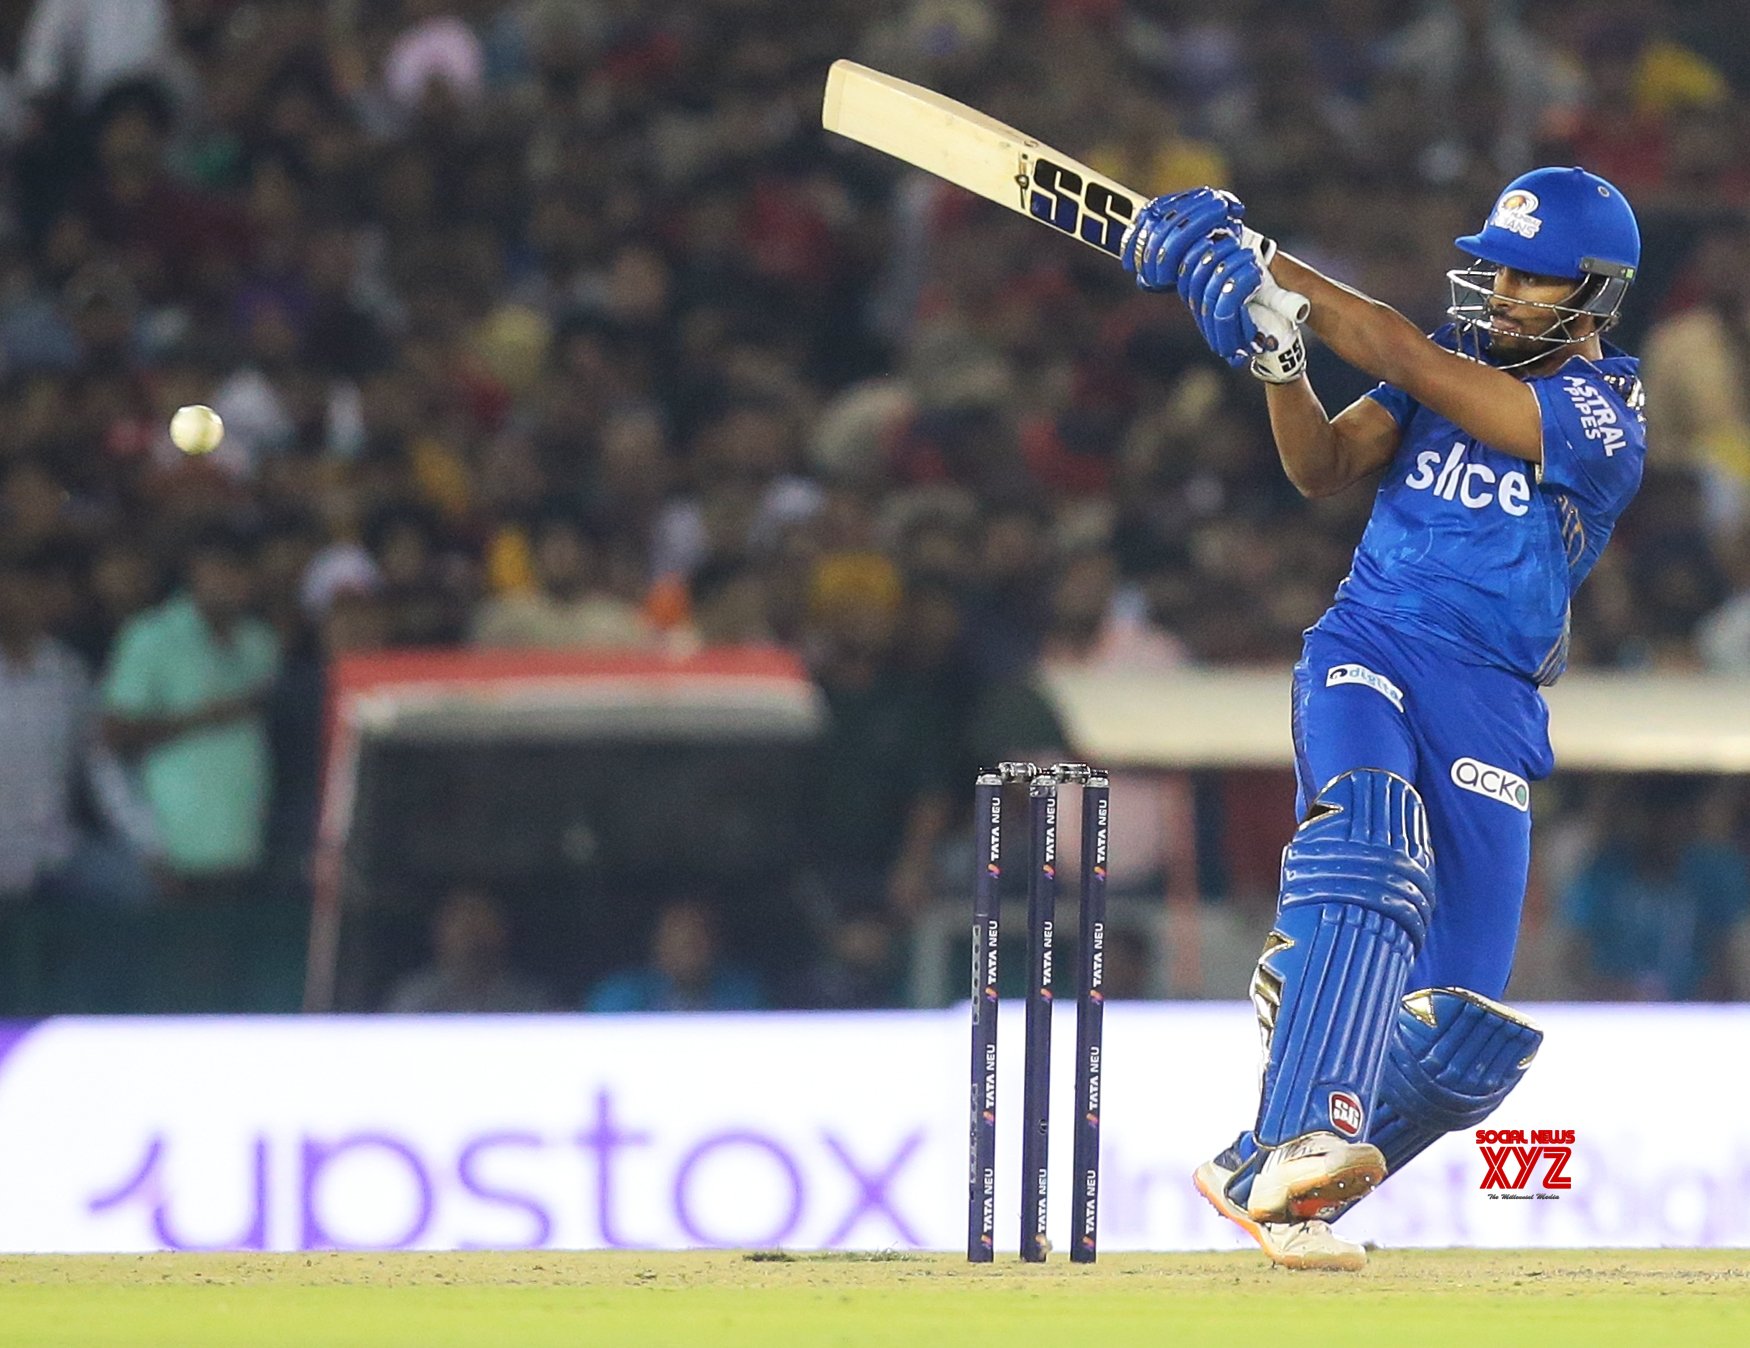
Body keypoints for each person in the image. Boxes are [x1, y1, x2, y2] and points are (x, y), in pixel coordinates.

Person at [1120, 166, 1646, 1270]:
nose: (1500, 289)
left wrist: (1267, 268)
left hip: (1490, 702)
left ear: (1594, 296)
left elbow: (1404, 353)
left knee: (1460, 1037)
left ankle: (1265, 1174)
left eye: (1531, 280)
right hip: (1369, 646)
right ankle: (1309, 1118)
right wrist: (1280, 363)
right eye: (1495, 265)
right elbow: (1320, 465)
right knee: (1371, 838)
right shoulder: (1440, 379)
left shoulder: (1602, 416)